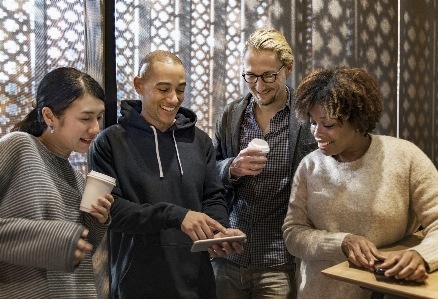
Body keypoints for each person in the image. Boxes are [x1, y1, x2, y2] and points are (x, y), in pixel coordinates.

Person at [91, 50, 245, 299]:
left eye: (181, 89)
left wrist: (220, 233)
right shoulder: (110, 142)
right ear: (139, 85)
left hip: (198, 283)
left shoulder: (200, 141)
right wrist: (175, 215)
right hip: (137, 286)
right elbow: (111, 211)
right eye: (163, 89)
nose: (174, 99)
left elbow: (213, 198)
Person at [282, 66, 438, 299]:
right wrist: (340, 242)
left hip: (388, 291)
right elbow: (293, 234)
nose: (316, 132)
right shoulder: (310, 166)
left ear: (357, 120)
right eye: (313, 122)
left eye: (328, 124)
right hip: (320, 292)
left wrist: (422, 255)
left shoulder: (405, 157)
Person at [212, 29, 317, 299]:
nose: (259, 86)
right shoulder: (231, 116)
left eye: (269, 75)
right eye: (251, 76)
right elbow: (209, 173)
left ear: (288, 68)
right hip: (230, 257)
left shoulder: (307, 119)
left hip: (279, 260)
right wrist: (232, 168)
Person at [0, 67, 113, 298]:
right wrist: (52, 240)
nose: (95, 128)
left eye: (99, 117)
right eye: (85, 118)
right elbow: (56, 244)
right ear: (49, 116)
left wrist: (95, 223)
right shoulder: (18, 147)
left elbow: (73, 255)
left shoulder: (78, 179)